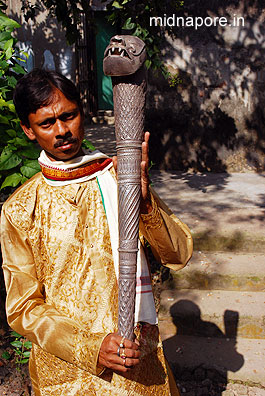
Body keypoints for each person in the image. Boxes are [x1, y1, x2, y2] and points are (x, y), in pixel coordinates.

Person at [1, 69, 193, 395]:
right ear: (28, 130)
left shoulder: (120, 179)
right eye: (47, 123)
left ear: (81, 113)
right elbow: (23, 308)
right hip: (64, 373)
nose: (62, 130)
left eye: (69, 116)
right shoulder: (20, 209)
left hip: (136, 361)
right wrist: (91, 347)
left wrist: (144, 203)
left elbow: (178, 255)